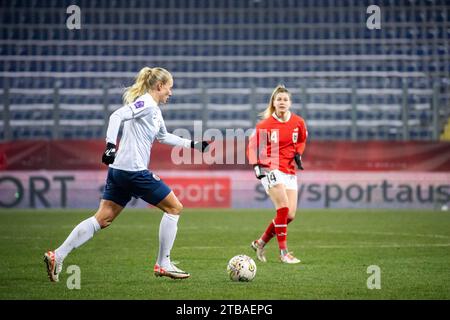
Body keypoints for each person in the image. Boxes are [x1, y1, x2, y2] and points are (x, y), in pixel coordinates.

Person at [44, 67, 210, 281]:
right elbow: (116, 116)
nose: (171, 92)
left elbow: (163, 137)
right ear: (160, 86)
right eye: (170, 88)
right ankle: (163, 263)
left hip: (118, 172)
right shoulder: (146, 103)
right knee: (174, 207)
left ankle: (57, 255)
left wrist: (193, 144)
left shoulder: (154, 111)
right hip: (133, 171)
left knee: (102, 219)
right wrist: (110, 146)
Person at [247, 85, 307, 264]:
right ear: (273, 102)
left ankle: (260, 243)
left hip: (289, 170)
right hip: (270, 168)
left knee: (290, 215)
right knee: (282, 208)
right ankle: (284, 253)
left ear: (290, 103)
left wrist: (298, 153)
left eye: (285, 99)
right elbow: (251, 147)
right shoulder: (264, 125)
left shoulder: (298, 122)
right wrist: (256, 165)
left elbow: (302, 140)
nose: (282, 102)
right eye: (278, 99)